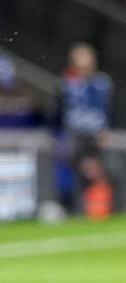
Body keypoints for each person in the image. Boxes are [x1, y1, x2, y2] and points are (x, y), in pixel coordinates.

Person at [56, 43, 114, 216]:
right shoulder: (66, 83)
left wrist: (107, 129)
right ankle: (76, 210)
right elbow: (59, 111)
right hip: (75, 134)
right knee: (75, 174)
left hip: (97, 134)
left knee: (106, 171)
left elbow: (109, 108)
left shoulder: (102, 82)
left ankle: (108, 208)